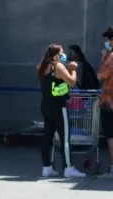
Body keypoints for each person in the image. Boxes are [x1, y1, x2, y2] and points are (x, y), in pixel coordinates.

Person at [37, 44, 86, 178]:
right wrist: (74, 70)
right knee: (65, 138)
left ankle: (46, 167)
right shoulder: (57, 66)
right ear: (56, 54)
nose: (64, 55)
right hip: (59, 107)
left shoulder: (43, 67)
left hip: (46, 106)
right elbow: (71, 82)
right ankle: (69, 167)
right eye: (62, 52)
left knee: (48, 136)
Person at [98, 26, 113, 178]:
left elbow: (101, 75)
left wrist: (104, 57)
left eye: (107, 41)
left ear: (112, 40)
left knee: (112, 135)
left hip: (110, 101)